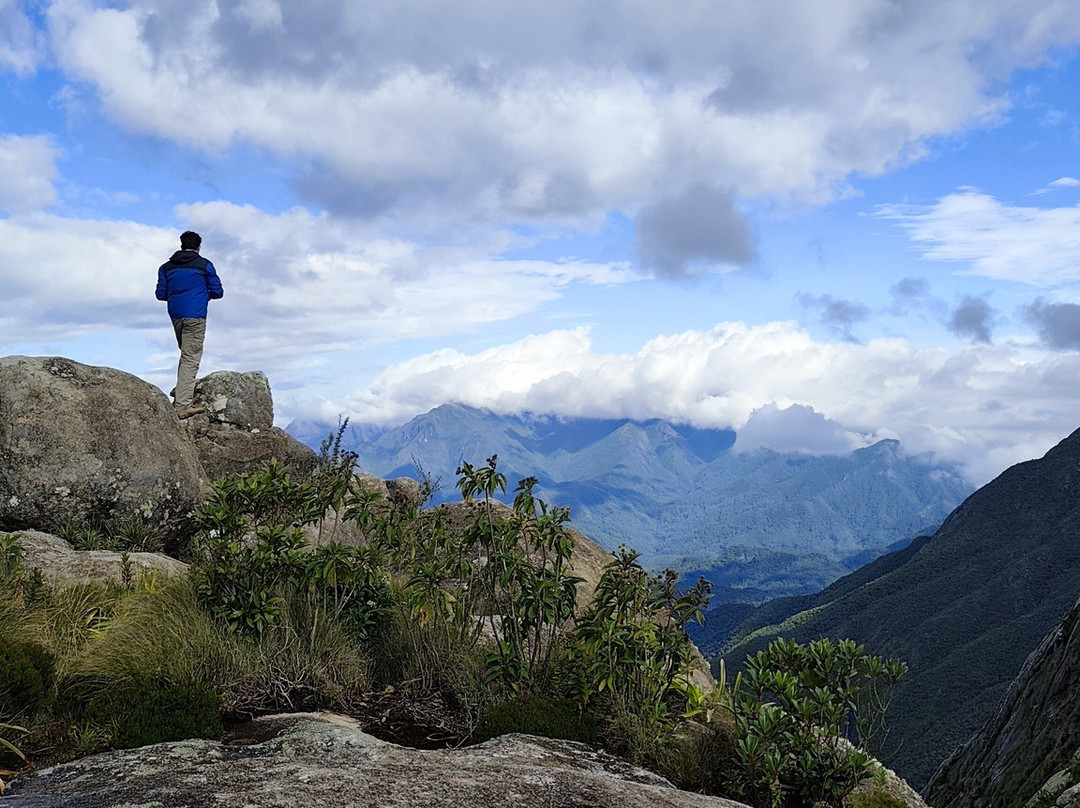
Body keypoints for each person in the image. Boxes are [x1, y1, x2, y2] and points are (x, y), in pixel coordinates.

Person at [156, 230, 224, 419]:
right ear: (198, 246)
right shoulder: (205, 265)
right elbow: (218, 291)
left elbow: (161, 294)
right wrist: (202, 296)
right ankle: (183, 405)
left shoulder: (166, 267)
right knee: (191, 357)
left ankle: (182, 392)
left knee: (186, 354)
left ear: (181, 244)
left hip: (176, 315)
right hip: (195, 315)